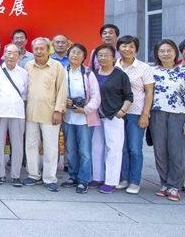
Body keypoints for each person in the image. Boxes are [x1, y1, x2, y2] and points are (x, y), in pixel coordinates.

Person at [23, 37, 67, 191]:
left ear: (49, 50)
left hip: (50, 113)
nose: (39, 51)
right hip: (30, 113)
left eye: (42, 48)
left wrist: (58, 110)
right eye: (36, 49)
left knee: (50, 147)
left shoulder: (57, 67)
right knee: (31, 145)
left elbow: (62, 89)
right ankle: (33, 174)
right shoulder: (28, 66)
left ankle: (49, 178)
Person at [90, 44, 133, 194]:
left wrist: (122, 111)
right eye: (100, 55)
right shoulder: (93, 74)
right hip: (96, 115)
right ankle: (97, 177)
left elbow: (129, 96)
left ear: (114, 58)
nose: (103, 58)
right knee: (96, 146)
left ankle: (111, 181)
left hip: (113, 115)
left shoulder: (120, 75)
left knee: (113, 148)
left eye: (107, 55)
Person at [115, 35, 155, 194]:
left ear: (136, 49)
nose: (127, 49)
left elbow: (149, 92)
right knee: (123, 148)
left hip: (136, 113)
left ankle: (134, 181)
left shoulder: (144, 68)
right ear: (118, 48)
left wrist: (145, 114)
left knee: (135, 148)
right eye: (124, 46)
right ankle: (124, 178)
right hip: (117, 114)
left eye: (131, 46)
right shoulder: (114, 66)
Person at [60, 44, 101, 194]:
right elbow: (56, 91)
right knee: (70, 149)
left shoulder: (89, 74)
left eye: (79, 53)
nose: (75, 55)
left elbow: (96, 96)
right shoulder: (62, 72)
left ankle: (84, 179)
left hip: (84, 117)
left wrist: (85, 109)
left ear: (84, 57)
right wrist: (63, 100)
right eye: (73, 52)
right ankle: (73, 176)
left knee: (84, 150)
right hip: (68, 117)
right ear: (68, 54)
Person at [150, 39, 185, 202]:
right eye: (162, 51)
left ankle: (174, 186)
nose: (166, 54)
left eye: (169, 50)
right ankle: (164, 183)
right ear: (157, 54)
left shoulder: (183, 70)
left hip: (178, 114)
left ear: (175, 53)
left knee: (177, 151)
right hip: (157, 114)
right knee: (160, 151)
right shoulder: (151, 71)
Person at [0, 44, 28, 187]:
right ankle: (0, 174)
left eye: (15, 53)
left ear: (19, 56)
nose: (11, 56)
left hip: (17, 113)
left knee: (17, 145)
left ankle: (16, 175)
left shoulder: (23, 72)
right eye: (9, 53)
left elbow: (25, 94)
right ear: (4, 54)